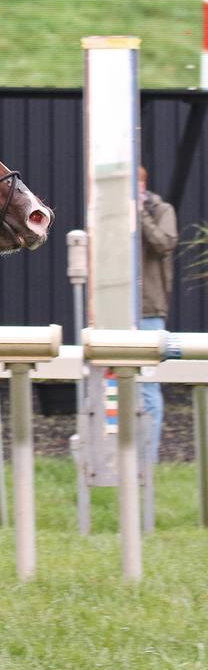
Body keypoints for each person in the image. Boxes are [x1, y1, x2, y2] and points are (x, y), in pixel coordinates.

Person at [137, 165, 178, 462]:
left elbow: (164, 244)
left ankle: (146, 463)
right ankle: (120, 455)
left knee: (149, 385)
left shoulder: (162, 210)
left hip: (149, 307)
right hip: (116, 309)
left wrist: (141, 215)